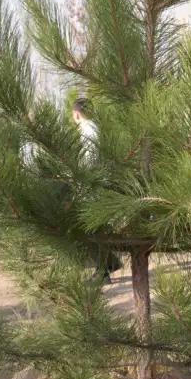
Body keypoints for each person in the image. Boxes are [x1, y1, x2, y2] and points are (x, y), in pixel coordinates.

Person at [72, 97, 120, 282]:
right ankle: (107, 265)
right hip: (100, 184)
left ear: (76, 114)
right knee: (95, 229)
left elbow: (88, 163)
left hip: (92, 187)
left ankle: (104, 270)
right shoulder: (97, 128)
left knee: (88, 229)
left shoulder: (87, 131)